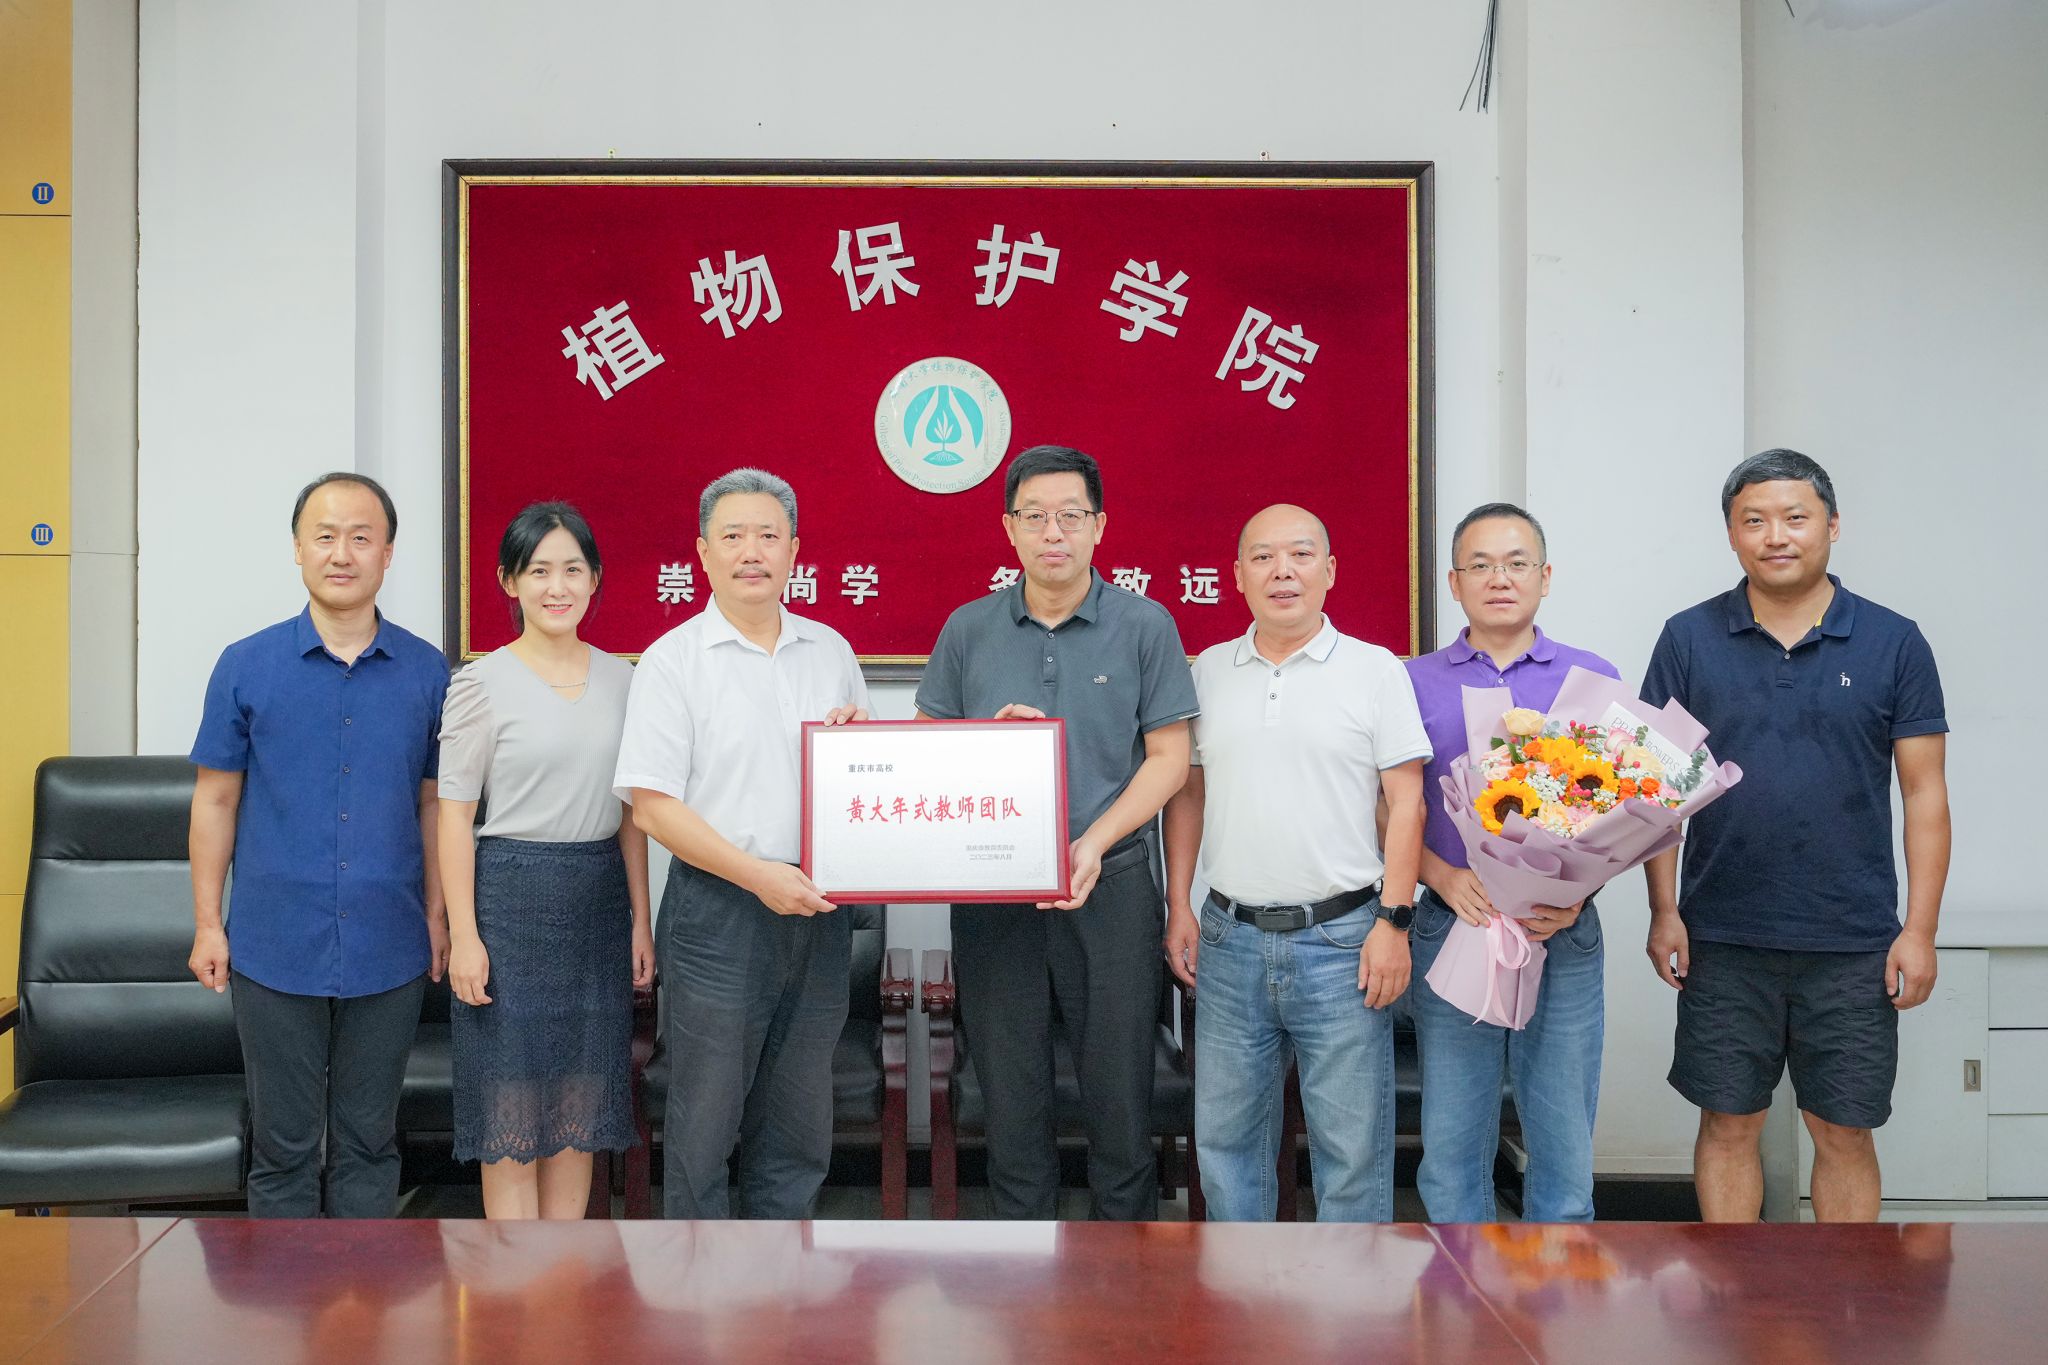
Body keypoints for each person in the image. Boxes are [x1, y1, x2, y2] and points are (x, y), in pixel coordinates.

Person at [1641, 449, 1950, 1223]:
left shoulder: (1894, 641)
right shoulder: (1688, 637)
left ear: (1832, 525)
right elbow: (1656, 790)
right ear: (1732, 533)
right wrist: (1664, 909)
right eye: (1754, 520)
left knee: (1842, 1130)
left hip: (1852, 940)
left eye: (1794, 517)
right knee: (1728, 1123)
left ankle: (1842, 1290)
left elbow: (1925, 794)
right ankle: (1730, 1289)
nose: (1775, 535)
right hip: (1722, 935)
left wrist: (1919, 929)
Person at [916, 444, 1198, 1220]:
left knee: (1120, 1097)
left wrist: (1093, 842)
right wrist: (986, 742)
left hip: (1111, 884)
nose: (1053, 532)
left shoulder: (1145, 624)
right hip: (995, 892)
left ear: (1099, 526)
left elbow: (1170, 760)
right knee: (1009, 1097)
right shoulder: (968, 628)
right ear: (1008, 527)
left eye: (1070, 515)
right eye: (1034, 516)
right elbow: (927, 755)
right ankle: (1023, 1268)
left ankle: (1124, 1268)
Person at [187, 471, 450, 1217]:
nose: (343, 553)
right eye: (326, 536)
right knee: (283, 1146)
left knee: (370, 1141)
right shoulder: (246, 665)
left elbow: (435, 805)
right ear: (298, 549)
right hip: (273, 941)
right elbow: (215, 799)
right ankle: (284, 1293)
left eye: (361, 537)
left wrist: (437, 915)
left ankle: (361, 1292)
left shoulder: (428, 671)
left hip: (390, 940)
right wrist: (208, 922)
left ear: (388, 554)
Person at [613, 468, 869, 1218]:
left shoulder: (830, 650)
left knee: (798, 1119)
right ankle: (701, 1285)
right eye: (732, 536)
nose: (751, 551)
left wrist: (867, 745)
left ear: (794, 549)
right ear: (702, 552)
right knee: (706, 1118)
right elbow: (653, 808)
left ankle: (781, 1278)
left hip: (818, 909)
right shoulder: (672, 660)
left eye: (768, 535)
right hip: (717, 911)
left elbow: (869, 775)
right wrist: (758, 876)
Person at [1162, 504, 1430, 1221]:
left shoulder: (1376, 670)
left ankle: (1349, 1292)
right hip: (1228, 939)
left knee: (1351, 1150)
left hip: (1344, 942)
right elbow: (1188, 792)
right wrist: (1179, 903)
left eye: (1301, 554)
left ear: (1330, 570)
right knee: (1226, 1146)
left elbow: (1407, 802)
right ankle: (1243, 1289)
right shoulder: (1208, 671)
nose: (1283, 571)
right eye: (1263, 557)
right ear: (1237, 575)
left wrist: (1394, 922)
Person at [1402, 502, 1621, 1223]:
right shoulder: (1410, 681)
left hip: (1563, 929)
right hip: (1454, 920)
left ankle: (1555, 1288)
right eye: (1481, 565)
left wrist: (1580, 891)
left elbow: (1632, 806)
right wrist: (1440, 875)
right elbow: (1384, 805)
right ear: (1454, 582)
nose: (1500, 578)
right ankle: (1461, 1287)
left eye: (1517, 563)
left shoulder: (1593, 678)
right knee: (1453, 1139)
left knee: (1562, 1136)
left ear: (1545, 576)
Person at [437, 502, 655, 1218]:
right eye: (538, 571)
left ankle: (564, 1281)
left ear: (594, 579)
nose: (557, 587)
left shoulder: (626, 681)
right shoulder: (480, 683)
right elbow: (454, 816)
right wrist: (465, 935)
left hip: (597, 903)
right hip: (510, 903)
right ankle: (512, 1286)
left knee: (577, 1115)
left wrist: (640, 921)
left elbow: (633, 817)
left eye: (572, 570)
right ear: (509, 582)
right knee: (510, 1122)